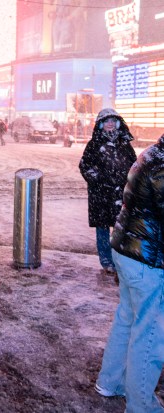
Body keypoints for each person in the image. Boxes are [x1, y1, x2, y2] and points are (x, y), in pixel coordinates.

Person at [95, 132, 164, 412]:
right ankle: (140, 405)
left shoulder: (153, 154)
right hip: (146, 258)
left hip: (128, 250)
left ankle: (111, 381)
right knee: (149, 332)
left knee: (128, 317)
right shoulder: (161, 165)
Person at [79, 108, 136, 275]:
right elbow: (85, 165)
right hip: (101, 194)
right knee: (103, 228)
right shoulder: (94, 144)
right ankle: (106, 261)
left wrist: (132, 182)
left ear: (118, 123)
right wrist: (97, 179)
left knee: (122, 228)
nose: (110, 124)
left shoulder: (124, 143)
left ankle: (120, 260)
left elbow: (134, 166)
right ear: (101, 125)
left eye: (113, 121)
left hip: (121, 193)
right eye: (106, 121)